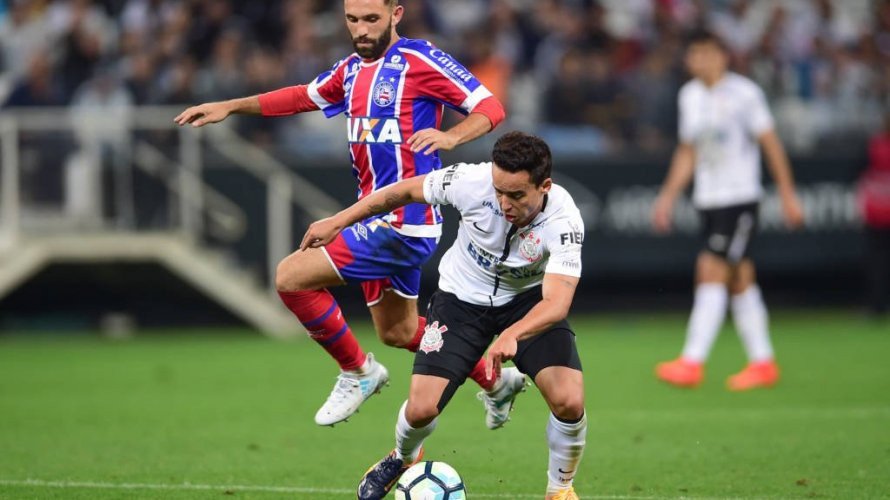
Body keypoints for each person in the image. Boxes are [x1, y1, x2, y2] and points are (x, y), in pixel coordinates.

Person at [174, 0, 510, 427]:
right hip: (373, 218)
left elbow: (489, 107)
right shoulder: (351, 70)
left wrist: (451, 136)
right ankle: (496, 381)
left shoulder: (420, 59)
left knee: (290, 277)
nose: (362, 29)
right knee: (400, 333)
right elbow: (301, 96)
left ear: (396, 14)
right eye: (353, 19)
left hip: (405, 222)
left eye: (372, 19)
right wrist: (230, 106)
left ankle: (357, 372)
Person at [302, 131, 588, 500]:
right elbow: (401, 192)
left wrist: (512, 333)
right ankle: (403, 457)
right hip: (461, 299)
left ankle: (560, 489)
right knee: (421, 409)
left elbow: (556, 303)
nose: (504, 203)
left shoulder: (564, 221)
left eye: (516, 195)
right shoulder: (470, 181)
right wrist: (339, 221)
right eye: (499, 191)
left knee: (570, 401)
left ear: (544, 186)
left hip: (527, 304)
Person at [651, 31, 804, 391]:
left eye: (707, 53)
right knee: (740, 279)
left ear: (724, 56)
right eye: (695, 54)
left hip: (739, 198)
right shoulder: (689, 95)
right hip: (709, 199)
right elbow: (688, 151)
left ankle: (692, 361)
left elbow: (770, 144)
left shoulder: (744, 93)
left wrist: (788, 194)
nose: (700, 60)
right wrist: (668, 197)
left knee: (710, 269)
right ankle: (763, 362)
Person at [857, 112, 890, 319]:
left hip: (876, 212)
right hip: (878, 212)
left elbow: (856, 172)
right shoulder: (872, 146)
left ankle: (877, 306)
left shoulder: (872, 147)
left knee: (877, 262)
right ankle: (878, 305)